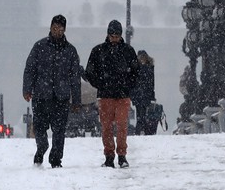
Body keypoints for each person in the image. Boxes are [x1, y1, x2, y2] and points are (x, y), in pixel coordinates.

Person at [23, 14, 82, 168]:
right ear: (50, 28)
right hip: (41, 96)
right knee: (40, 128)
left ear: (64, 30)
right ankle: (41, 148)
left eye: (60, 29)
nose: (57, 31)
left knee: (59, 132)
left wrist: (76, 100)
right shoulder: (39, 46)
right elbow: (30, 69)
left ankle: (56, 160)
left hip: (61, 98)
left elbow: (75, 78)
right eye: (55, 28)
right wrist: (27, 89)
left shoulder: (70, 51)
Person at [85, 20, 139, 168]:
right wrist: (101, 84)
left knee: (121, 125)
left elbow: (136, 72)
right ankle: (110, 156)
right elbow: (89, 72)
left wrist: (125, 85)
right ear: (108, 35)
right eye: (112, 35)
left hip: (119, 95)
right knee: (107, 127)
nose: (114, 38)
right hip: (107, 95)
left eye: (116, 35)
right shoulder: (101, 51)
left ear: (120, 35)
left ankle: (121, 156)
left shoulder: (123, 51)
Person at [131, 50, 156, 135]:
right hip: (139, 94)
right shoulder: (137, 68)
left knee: (143, 115)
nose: (142, 59)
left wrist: (152, 94)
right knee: (141, 115)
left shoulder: (148, 67)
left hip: (144, 94)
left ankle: (140, 131)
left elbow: (152, 82)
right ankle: (142, 131)